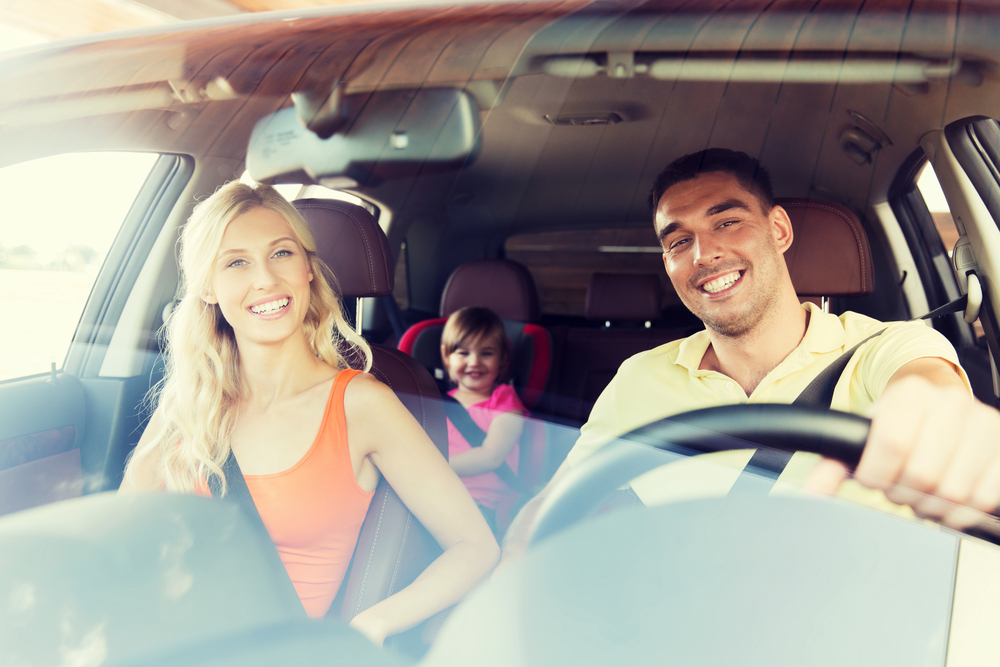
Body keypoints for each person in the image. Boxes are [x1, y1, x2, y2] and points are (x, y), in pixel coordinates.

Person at [501, 148, 1000, 562]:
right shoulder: (638, 378)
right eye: (679, 241)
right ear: (669, 264)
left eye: (727, 222)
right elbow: (549, 514)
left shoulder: (887, 348)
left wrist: (946, 426)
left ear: (779, 230)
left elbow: (929, 395)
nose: (703, 254)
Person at [118, 181, 499, 645]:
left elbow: (476, 547)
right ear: (208, 288)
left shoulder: (362, 405)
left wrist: (370, 625)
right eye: (236, 262)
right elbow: (124, 527)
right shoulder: (190, 401)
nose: (266, 280)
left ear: (309, 270)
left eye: (282, 254)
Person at [440, 306, 527, 533]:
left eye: (486, 353)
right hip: (438, 499)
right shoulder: (435, 404)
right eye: (463, 353)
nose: (474, 362)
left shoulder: (504, 400)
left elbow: (491, 457)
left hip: (483, 506)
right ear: (446, 357)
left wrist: (432, 467)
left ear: (502, 359)